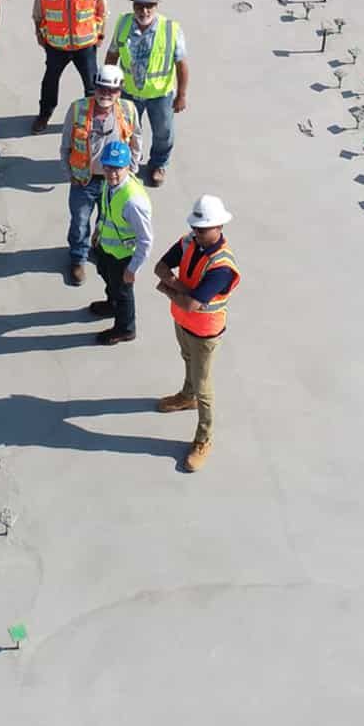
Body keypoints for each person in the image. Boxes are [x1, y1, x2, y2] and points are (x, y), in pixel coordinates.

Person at [154, 195, 240, 473]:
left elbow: (192, 303)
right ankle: (186, 395)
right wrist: (179, 289)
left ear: (219, 227)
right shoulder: (189, 241)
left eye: (203, 228)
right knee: (186, 359)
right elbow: (160, 267)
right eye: (196, 227)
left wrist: (169, 289)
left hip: (205, 331)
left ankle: (204, 439)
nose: (197, 232)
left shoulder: (222, 266)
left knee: (204, 386)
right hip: (183, 322)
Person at [59, 64, 142, 287]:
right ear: (94, 87)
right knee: (79, 222)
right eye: (101, 88)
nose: (106, 94)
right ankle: (78, 258)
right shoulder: (77, 109)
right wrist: (70, 174)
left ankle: (97, 248)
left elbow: (136, 141)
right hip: (83, 180)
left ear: (120, 90)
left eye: (111, 90)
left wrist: (131, 170)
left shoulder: (128, 110)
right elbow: (66, 145)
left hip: (113, 181)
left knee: (106, 220)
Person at [105, 0, 188, 187]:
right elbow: (113, 53)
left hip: (160, 94)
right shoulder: (123, 23)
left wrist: (182, 95)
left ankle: (159, 164)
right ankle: (126, 164)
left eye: (149, 5)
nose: (144, 10)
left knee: (163, 132)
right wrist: (109, 87)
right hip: (128, 92)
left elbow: (182, 64)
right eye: (139, 5)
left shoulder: (171, 29)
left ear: (156, 6)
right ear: (133, 6)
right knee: (126, 131)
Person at [31, 0, 107, 133]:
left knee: (92, 85)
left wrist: (99, 33)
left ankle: (93, 119)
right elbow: (38, 13)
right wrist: (39, 34)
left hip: (85, 45)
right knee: (50, 82)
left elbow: (101, 10)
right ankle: (44, 114)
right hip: (56, 45)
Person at [89, 139, 152, 347]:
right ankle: (111, 304)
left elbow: (145, 240)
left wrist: (133, 268)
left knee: (123, 292)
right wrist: (98, 230)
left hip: (123, 256)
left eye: (118, 168)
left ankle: (125, 329)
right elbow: (106, 210)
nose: (112, 173)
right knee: (108, 279)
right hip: (108, 249)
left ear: (128, 167)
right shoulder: (109, 183)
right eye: (108, 168)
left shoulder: (133, 201)